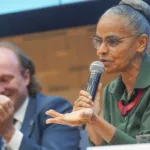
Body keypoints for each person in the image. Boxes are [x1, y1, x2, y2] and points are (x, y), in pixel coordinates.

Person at [46, 0, 150, 146]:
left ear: (141, 43)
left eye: (113, 41)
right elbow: (100, 145)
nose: (101, 50)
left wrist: (95, 119)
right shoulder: (110, 90)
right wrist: (89, 118)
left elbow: (143, 148)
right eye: (98, 41)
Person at [0, 41, 81, 150]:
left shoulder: (55, 109)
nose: (0, 89)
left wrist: (8, 132)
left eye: (5, 80)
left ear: (26, 77)